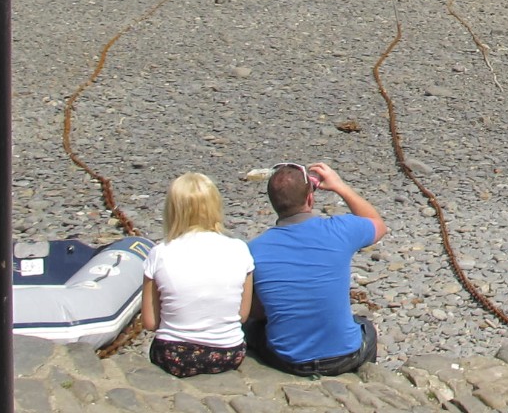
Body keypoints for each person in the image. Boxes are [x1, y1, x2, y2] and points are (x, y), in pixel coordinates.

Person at [246, 162, 386, 376]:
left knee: (253, 326)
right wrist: (340, 186)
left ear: (274, 203)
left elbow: (254, 309)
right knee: (366, 328)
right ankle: (365, 380)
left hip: (288, 360)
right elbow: (377, 224)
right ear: (310, 198)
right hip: (344, 356)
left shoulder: (254, 249)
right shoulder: (339, 230)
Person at [140, 172, 254, 377]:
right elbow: (242, 315)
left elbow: (150, 322)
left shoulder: (160, 253)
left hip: (173, 355)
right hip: (228, 353)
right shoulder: (239, 249)